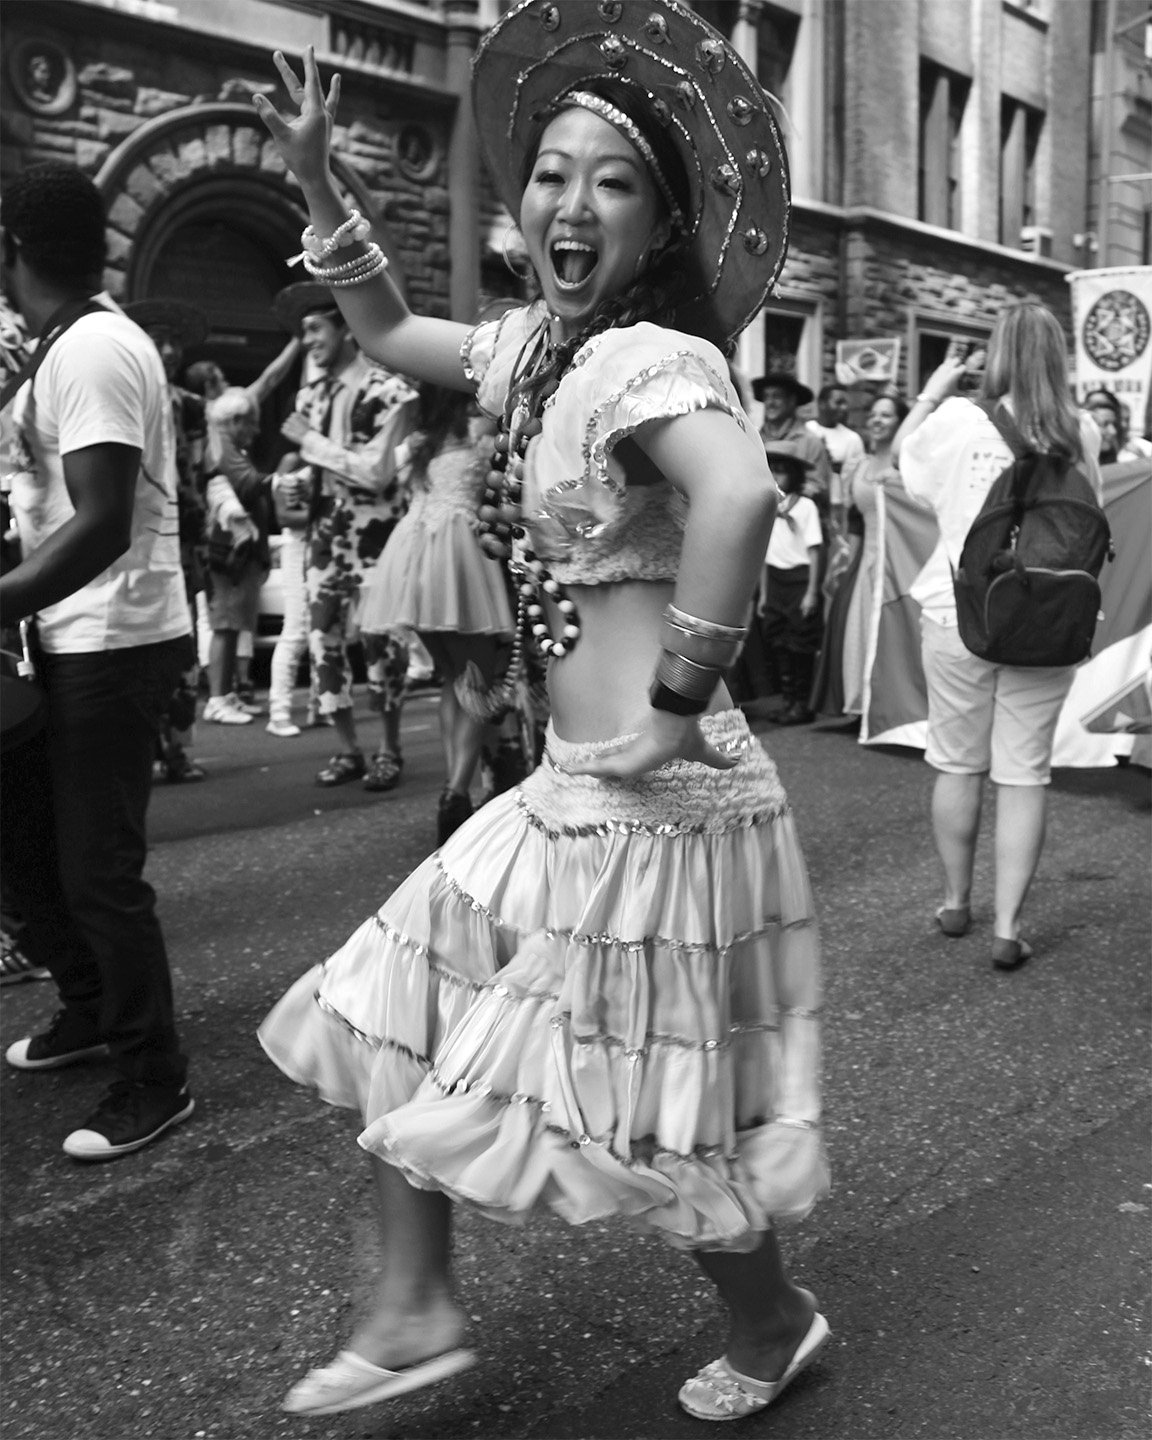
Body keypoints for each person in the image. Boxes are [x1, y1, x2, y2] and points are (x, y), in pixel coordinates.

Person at [253, 5, 828, 1424]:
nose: (573, 203)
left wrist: (679, 702)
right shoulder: (539, 352)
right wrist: (319, 179)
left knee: (652, 1114)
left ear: (662, 222)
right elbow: (389, 329)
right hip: (570, 787)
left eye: (613, 182)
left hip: (663, 802)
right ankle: (413, 1305)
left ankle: (774, 1321)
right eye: (553, 175)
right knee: (396, 999)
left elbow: (741, 494)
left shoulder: (650, 360)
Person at [0, 162, 193, 1159]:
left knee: (97, 871)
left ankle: (154, 1075)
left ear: (12, 248)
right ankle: (87, 1008)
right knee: (28, 852)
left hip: (113, 640)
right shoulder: (56, 347)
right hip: (62, 637)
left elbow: (104, 521)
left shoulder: (95, 349)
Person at [894, 308, 1103, 970]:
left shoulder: (958, 420)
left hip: (962, 611)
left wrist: (933, 391)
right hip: (1046, 616)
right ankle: (1008, 929)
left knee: (958, 763)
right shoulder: (1082, 429)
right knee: (1024, 773)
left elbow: (903, 469)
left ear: (999, 353)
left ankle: (956, 902)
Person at [273, 281, 418, 790]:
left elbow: (377, 473)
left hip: (375, 539)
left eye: (316, 329)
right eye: (303, 332)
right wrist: (297, 481)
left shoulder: (391, 392)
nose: (308, 341)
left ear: (346, 329)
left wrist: (310, 444)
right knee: (322, 642)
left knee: (383, 643)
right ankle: (348, 749)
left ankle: (390, 749)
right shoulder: (309, 396)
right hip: (323, 538)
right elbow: (320, 466)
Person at [359, 383, 515, 842]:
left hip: (411, 553)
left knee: (454, 677)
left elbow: (374, 471)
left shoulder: (421, 438)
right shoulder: (481, 428)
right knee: (476, 679)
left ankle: (456, 787)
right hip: (456, 551)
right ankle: (456, 793)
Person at [123, 298, 211, 780]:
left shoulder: (190, 406)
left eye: (175, 342)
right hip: (135, 533)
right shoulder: (127, 397)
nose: (170, 350)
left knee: (181, 641)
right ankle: (142, 745)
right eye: (159, 340)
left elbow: (200, 473)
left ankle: (176, 747)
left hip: (183, 537)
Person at [812, 392, 909, 720]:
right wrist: (844, 565)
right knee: (858, 630)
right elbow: (854, 521)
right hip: (866, 559)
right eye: (874, 414)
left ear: (901, 423)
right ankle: (862, 706)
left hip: (901, 561)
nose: (877, 420)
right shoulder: (858, 466)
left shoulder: (910, 465)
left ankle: (894, 707)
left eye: (886, 415)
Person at [201, 388, 273, 724]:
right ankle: (217, 699)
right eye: (252, 423)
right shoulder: (222, 446)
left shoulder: (226, 445)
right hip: (227, 551)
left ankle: (226, 695)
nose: (256, 431)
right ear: (235, 421)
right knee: (226, 625)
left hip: (235, 552)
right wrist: (281, 481)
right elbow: (248, 483)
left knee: (232, 625)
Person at [759, 452, 824, 726]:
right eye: (772, 469)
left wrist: (811, 592)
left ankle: (803, 704)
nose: (776, 475)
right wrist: (764, 594)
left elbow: (815, 551)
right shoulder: (767, 504)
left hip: (800, 579)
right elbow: (764, 553)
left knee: (800, 641)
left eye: (782, 470)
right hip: (775, 579)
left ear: (794, 475)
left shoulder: (806, 506)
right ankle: (788, 701)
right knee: (779, 640)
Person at [752, 372, 832, 509]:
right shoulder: (754, 438)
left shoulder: (810, 442)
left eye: (777, 396)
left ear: (792, 401)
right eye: (766, 397)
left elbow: (819, 487)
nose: (770, 403)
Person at [806, 382, 864, 532]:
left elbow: (857, 477)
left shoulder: (852, 439)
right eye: (838, 402)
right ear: (822, 404)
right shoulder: (806, 431)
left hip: (839, 506)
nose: (844, 408)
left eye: (846, 403)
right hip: (808, 503)